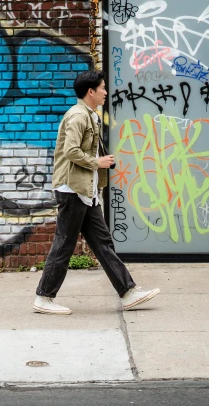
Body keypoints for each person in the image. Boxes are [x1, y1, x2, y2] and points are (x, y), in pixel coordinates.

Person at [33, 70, 160, 315]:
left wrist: (99, 164)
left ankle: (128, 292)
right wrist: (97, 162)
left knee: (102, 243)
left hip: (85, 191)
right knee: (64, 245)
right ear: (90, 91)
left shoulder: (90, 115)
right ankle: (44, 297)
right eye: (102, 88)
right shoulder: (78, 116)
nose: (105, 92)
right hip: (72, 190)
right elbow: (70, 151)